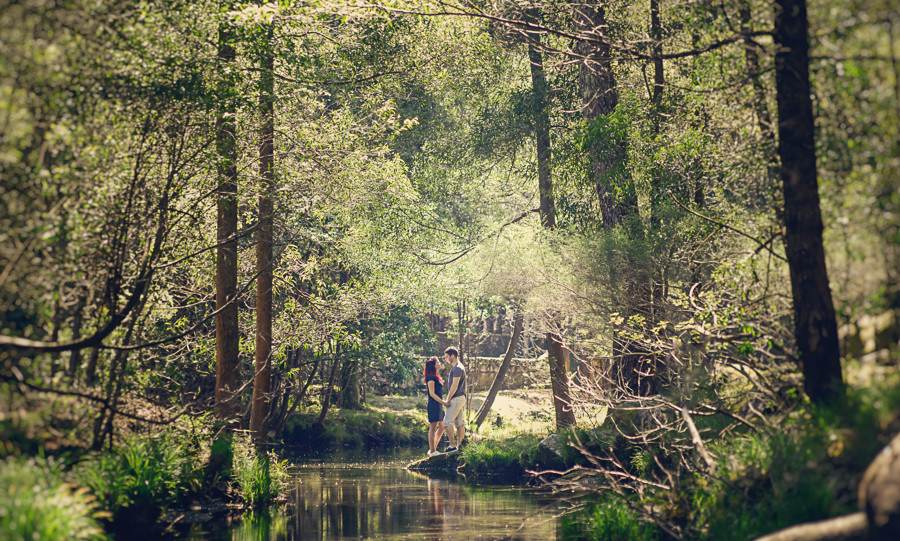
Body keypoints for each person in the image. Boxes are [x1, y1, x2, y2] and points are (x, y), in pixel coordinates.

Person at [441, 347, 466, 452]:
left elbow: (454, 386)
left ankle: (452, 446)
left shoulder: (457, 368)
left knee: (447, 422)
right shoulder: (459, 367)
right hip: (461, 398)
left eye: (447, 357)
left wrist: (448, 399)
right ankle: (460, 447)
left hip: (456, 398)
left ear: (453, 356)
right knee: (459, 423)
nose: (446, 359)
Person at [424, 356, 446, 456]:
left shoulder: (436, 376)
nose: (440, 363)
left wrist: (442, 403)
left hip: (439, 405)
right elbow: (432, 394)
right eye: (438, 362)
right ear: (433, 365)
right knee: (433, 427)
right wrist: (443, 402)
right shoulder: (431, 378)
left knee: (442, 426)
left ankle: (433, 449)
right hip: (434, 405)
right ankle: (432, 451)